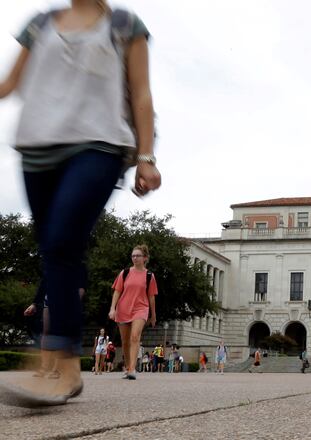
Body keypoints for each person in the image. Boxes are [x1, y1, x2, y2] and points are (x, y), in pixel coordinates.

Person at [0, 0, 159, 408]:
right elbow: (10, 83)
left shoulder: (124, 24)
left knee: (63, 241)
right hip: (37, 148)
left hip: (99, 144)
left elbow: (141, 94)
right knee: (54, 249)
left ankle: (62, 363)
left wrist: (146, 156)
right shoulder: (39, 24)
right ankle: (59, 363)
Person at [109, 245, 158, 380]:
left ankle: (132, 369)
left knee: (135, 337)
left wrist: (153, 315)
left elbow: (151, 297)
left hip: (141, 308)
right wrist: (112, 309)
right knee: (125, 341)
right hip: (123, 308)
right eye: (133, 256)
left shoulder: (149, 276)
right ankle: (127, 366)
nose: (135, 258)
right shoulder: (124, 273)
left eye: (138, 256)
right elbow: (117, 291)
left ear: (145, 258)